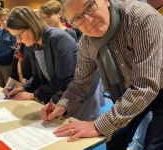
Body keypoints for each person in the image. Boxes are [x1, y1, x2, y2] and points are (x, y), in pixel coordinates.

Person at [40, 0, 163, 150]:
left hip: (155, 83)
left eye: (90, 6)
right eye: (78, 18)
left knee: (154, 144)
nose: (89, 20)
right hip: (129, 89)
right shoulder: (86, 44)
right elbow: (80, 83)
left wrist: (97, 125)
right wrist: (62, 105)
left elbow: (146, 85)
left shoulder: (141, 18)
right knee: (114, 140)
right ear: (73, 23)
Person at [3, 6, 102, 121]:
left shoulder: (58, 38)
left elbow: (63, 78)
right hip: (58, 90)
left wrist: (35, 95)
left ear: (30, 26)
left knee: (78, 128)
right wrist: (24, 89)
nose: (18, 41)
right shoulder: (31, 44)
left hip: (80, 91)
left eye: (18, 36)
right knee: (57, 124)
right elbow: (37, 76)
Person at [128, 1, 163, 150]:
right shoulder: (138, 11)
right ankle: (138, 145)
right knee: (125, 129)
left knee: (155, 141)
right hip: (140, 82)